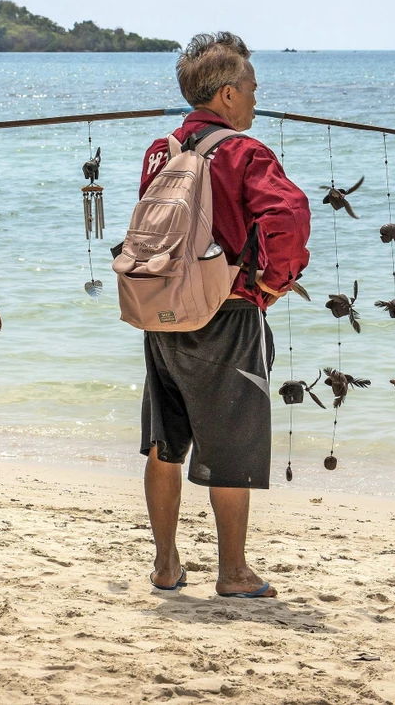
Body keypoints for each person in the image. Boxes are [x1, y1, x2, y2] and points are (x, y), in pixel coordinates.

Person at [138, 32, 310, 599]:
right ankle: (233, 574)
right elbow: (290, 214)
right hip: (227, 313)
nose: (258, 100)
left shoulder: (160, 149)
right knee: (234, 446)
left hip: (161, 312)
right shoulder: (245, 152)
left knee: (165, 442)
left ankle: (166, 567)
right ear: (230, 95)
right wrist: (274, 283)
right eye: (254, 88)